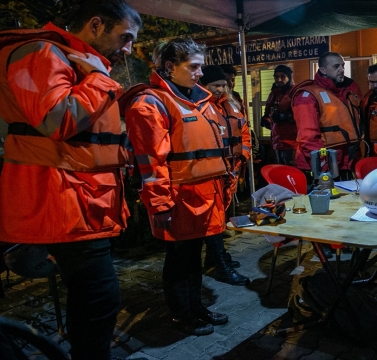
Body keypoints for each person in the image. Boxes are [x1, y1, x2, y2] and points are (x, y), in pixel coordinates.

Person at [0, 1, 140, 358]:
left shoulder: (71, 60)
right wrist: (99, 80)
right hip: (60, 199)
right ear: (95, 25)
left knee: (93, 297)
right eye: (125, 37)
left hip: (80, 199)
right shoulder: (42, 53)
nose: (128, 48)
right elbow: (56, 120)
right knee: (99, 297)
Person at [122, 38, 234, 336]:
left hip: (205, 195)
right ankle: (181, 314)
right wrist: (158, 204)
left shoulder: (199, 100)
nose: (200, 73)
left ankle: (195, 308)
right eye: (194, 67)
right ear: (170, 67)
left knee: (192, 257)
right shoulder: (151, 104)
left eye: (201, 67)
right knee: (178, 259)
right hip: (178, 199)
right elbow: (150, 163)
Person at [198, 65, 251, 286]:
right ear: (204, 85)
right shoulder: (200, 108)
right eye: (215, 85)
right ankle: (220, 264)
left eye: (223, 85)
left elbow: (244, 132)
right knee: (214, 221)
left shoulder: (232, 106)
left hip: (229, 171)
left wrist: (243, 157)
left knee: (220, 219)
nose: (221, 89)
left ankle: (216, 258)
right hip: (212, 174)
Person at [291, 52, 363, 181]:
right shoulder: (307, 96)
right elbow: (308, 137)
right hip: (320, 165)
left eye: (342, 66)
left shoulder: (345, 91)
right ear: (323, 70)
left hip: (343, 162)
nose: (341, 70)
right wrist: (322, 166)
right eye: (336, 67)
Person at [260, 65, 298, 165]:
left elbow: (304, 116)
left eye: (282, 76)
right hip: (277, 141)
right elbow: (268, 113)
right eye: (276, 76)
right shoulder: (274, 93)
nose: (279, 79)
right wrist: (265, 121)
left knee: (292, 171)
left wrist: (286, 117)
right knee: (281, 171)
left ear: (289, 77)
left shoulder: (296, 92)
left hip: (293, 142)